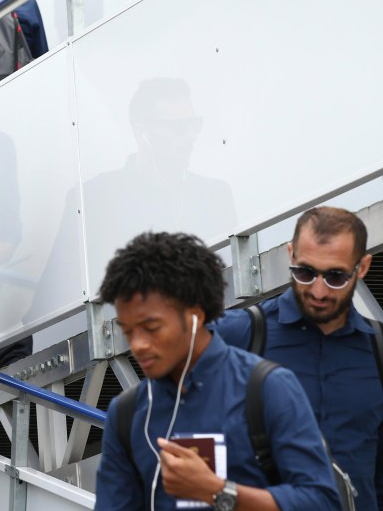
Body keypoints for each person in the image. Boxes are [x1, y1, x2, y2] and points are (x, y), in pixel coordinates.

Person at [95, 231, 340, 510]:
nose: (137, 345)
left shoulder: (269, 388)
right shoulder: (126, 413)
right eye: (128, 332)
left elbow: (322, 502)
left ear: (195, 315)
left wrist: (218, 492)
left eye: (151, 328)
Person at [214, 207, 383, 511]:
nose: (318, 290)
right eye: (304, 272)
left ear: (362, 267)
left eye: (335, 276)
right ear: (290, 255)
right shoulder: (237, 333)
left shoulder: (379, 348)